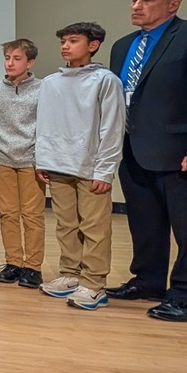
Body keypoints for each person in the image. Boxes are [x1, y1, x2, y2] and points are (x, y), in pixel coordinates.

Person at [107, 0, 187, 322]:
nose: (136, 6)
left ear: (173, 4)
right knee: (145, 223)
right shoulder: (123, 45)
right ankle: (148, 280)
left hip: (183, 153)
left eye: (147, 0)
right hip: (134, 149)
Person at [36, 22, 125, 311]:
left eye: (73, 41)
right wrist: (43, 159)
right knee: (66, 225)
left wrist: (105, 169)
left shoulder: (105, 80)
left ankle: (94, 283)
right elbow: (45, 125)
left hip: (89, 166)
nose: (65, 46)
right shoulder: (50, 82)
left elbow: (112, 127)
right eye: (63, 41)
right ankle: (70, 274)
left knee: (95, 227)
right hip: (57, 164)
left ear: (93, 45)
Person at [0, 39, 46, 288]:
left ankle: (33, 267)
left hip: (31, 160)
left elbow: (47, 126)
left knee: (33, 215)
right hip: (0, 158)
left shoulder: (43, 89)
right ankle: (14, 262)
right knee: (8, 214)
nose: (10, 63)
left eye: (17, 58)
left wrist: (43, 159)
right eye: (7, 58)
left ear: (30, 62)